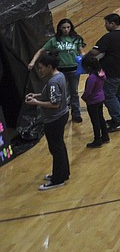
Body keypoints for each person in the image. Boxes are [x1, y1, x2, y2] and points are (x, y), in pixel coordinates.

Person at [28, 17, 84, 124]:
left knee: (74, 92)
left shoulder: (76, 39)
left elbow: (81, 52)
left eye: (68, 27)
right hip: (61, 71)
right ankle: (62, 112)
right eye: (64, 28)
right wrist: (32, 61)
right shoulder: (54, 41)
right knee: (61, 92)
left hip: (74, 70)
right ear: (59, 28)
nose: (66, 30)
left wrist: (87, 63)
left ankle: (76, 114)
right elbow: (41, 50)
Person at [25, 55, 70, 190]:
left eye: (41, 68)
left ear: (49, 67)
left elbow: (54, 103)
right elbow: (55, 96)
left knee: (56, 148)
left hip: (54, 119)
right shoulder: (60, 75)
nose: (40, 71)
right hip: (62, 115)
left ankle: (58, 179)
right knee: (60, 146)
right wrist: (37, 95)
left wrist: (36, 102)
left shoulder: (52, 82)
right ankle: (63, 173)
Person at [90, 13, 120, 131]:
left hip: (113, 72)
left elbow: (94, 52)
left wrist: (86, 58)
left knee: (109, 96)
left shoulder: (109, 37)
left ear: (112, 24)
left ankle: (118, 120)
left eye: (106, 23)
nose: (105, 25)